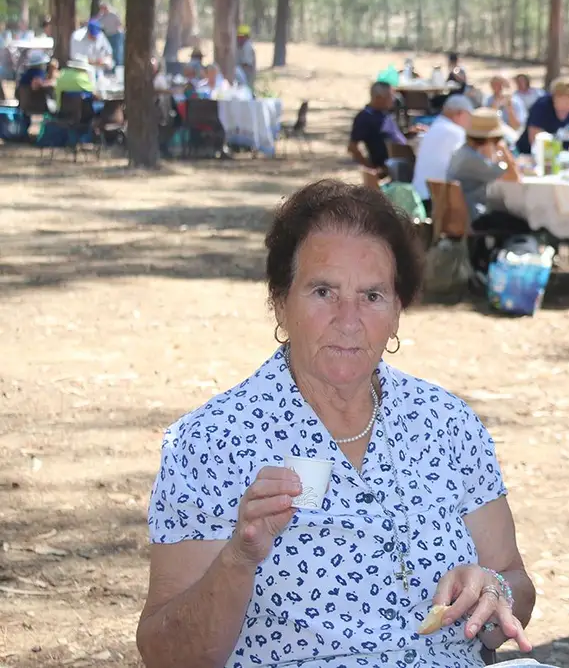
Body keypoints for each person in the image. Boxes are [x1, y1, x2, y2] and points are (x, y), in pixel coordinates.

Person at [136, 180, 537, 668]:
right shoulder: (211, 442)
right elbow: (164, 655)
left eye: (372, 295)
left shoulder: (447, 424)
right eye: (324, 291)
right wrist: (238, 561)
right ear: (281, 303)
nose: (349, 320)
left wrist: (492, 593)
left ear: (396, 311)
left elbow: (514, 579)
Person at [446, 108, 532, 274]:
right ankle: (505, 269)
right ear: (491, 139)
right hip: (472, 217)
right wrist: (505, 151)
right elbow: (514, 177)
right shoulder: (473, 160)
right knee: (524, 225)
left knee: (505, 217)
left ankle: (488, 262)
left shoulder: (463, 152)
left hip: (464, 214)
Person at [413, 94, 473, 203]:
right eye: (469, 116)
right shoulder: (455, 132)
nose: (470, 122)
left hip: (419, 196)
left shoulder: (435, 128)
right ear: (459, 114)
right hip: (435, 200)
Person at [348, 81, 409, 182]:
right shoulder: (365, 118)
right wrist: (370, 167)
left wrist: (409, 132)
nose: (393, 100)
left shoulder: (384, 113)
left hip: (404, 159)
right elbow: (352, 147)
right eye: (390, 96)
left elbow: (392, 134)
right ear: (379, 98)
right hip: (391, 167)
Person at [515, 77, 569, 155]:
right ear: (556, 96)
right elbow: (534, 141)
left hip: (566, 157)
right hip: (530, 155)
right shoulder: (542, 106)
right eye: (568, 99)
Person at [96, 2, 125, 66]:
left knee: (117, 51)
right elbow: (98, 23)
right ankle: (110, 66)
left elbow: (119, 24)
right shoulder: (101, 16)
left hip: (116, 35)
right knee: (109, 51)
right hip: (108, 35)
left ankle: (118, 66)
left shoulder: (113, 14)